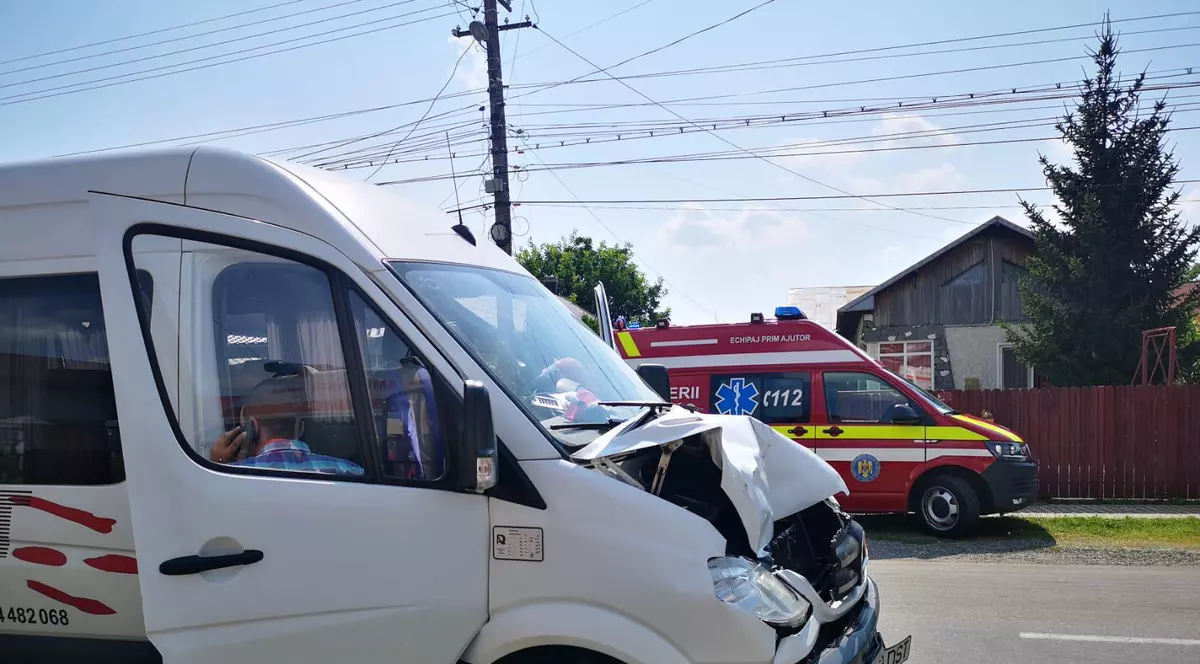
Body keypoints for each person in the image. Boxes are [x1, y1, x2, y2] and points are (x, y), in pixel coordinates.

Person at [210, 377, 365, 477]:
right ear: (301, 427)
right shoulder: (351, 472)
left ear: (253, 428)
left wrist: (219, 465)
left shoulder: (232, 477)